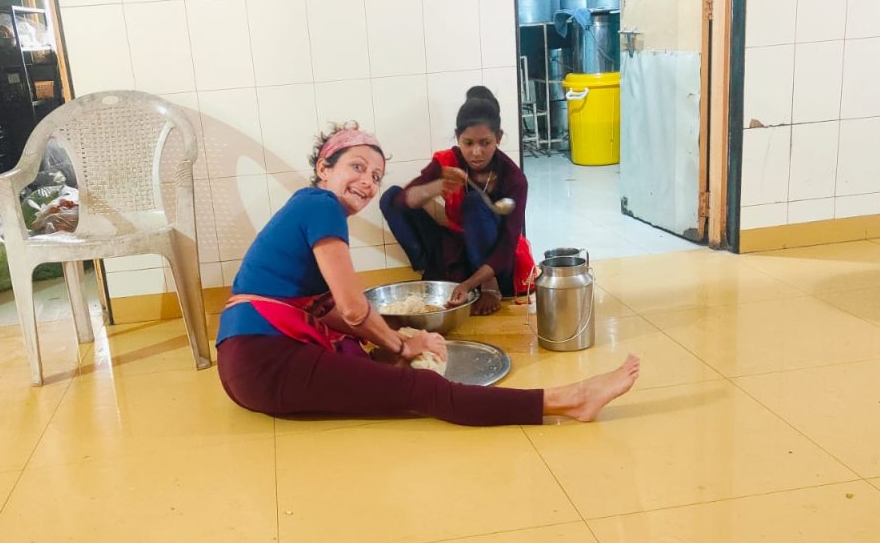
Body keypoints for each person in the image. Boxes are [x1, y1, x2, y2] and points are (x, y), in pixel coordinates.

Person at [216, 122, 640, 427]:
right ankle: (570, 400)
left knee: (377, 360)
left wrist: (393, 342)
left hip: (247, 365)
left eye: (376, 176)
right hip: (263, 362)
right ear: (325, 167)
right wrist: (405, 342)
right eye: (357, 167)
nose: (368, 182)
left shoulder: (308, 207)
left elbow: (326, 310)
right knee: (423, 390)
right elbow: (350, 308)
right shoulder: (321, 206)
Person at [380, 86, 535, 317]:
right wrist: (436, 186)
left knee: (474, 202)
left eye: (485, 143)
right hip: (454, 245)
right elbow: (403, 201)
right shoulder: (449, 161)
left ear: (499, 138)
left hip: (494, 262)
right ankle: (433, 272)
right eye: (468, 143)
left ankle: (487, 286)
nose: (476, 152)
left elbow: (506, 246)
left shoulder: (514, 179)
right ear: (457, 137)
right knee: (390, 196)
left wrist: (469, 285)